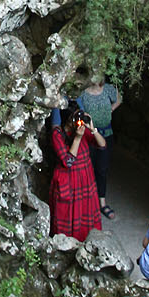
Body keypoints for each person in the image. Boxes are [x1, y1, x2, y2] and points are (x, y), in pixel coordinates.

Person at [49, 102, 103, 242]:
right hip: (68, 179)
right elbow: (68, 161)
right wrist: (78, 138)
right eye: (75, 118)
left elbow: (102, 145)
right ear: (67, 120)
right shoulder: (58, 134)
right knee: (67, 214)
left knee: (85, 211)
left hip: (84, 178)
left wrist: (92, 129)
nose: (78, 122)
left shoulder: (81, 130)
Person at [76, 78, 122, 218]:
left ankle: (102, 202)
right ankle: (87, 202)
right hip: (89, 135)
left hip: (106, 134)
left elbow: (119, 99)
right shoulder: (83, 93)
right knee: (87, 168)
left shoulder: (108, 89)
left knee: (102, 169)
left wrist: (111, 110)